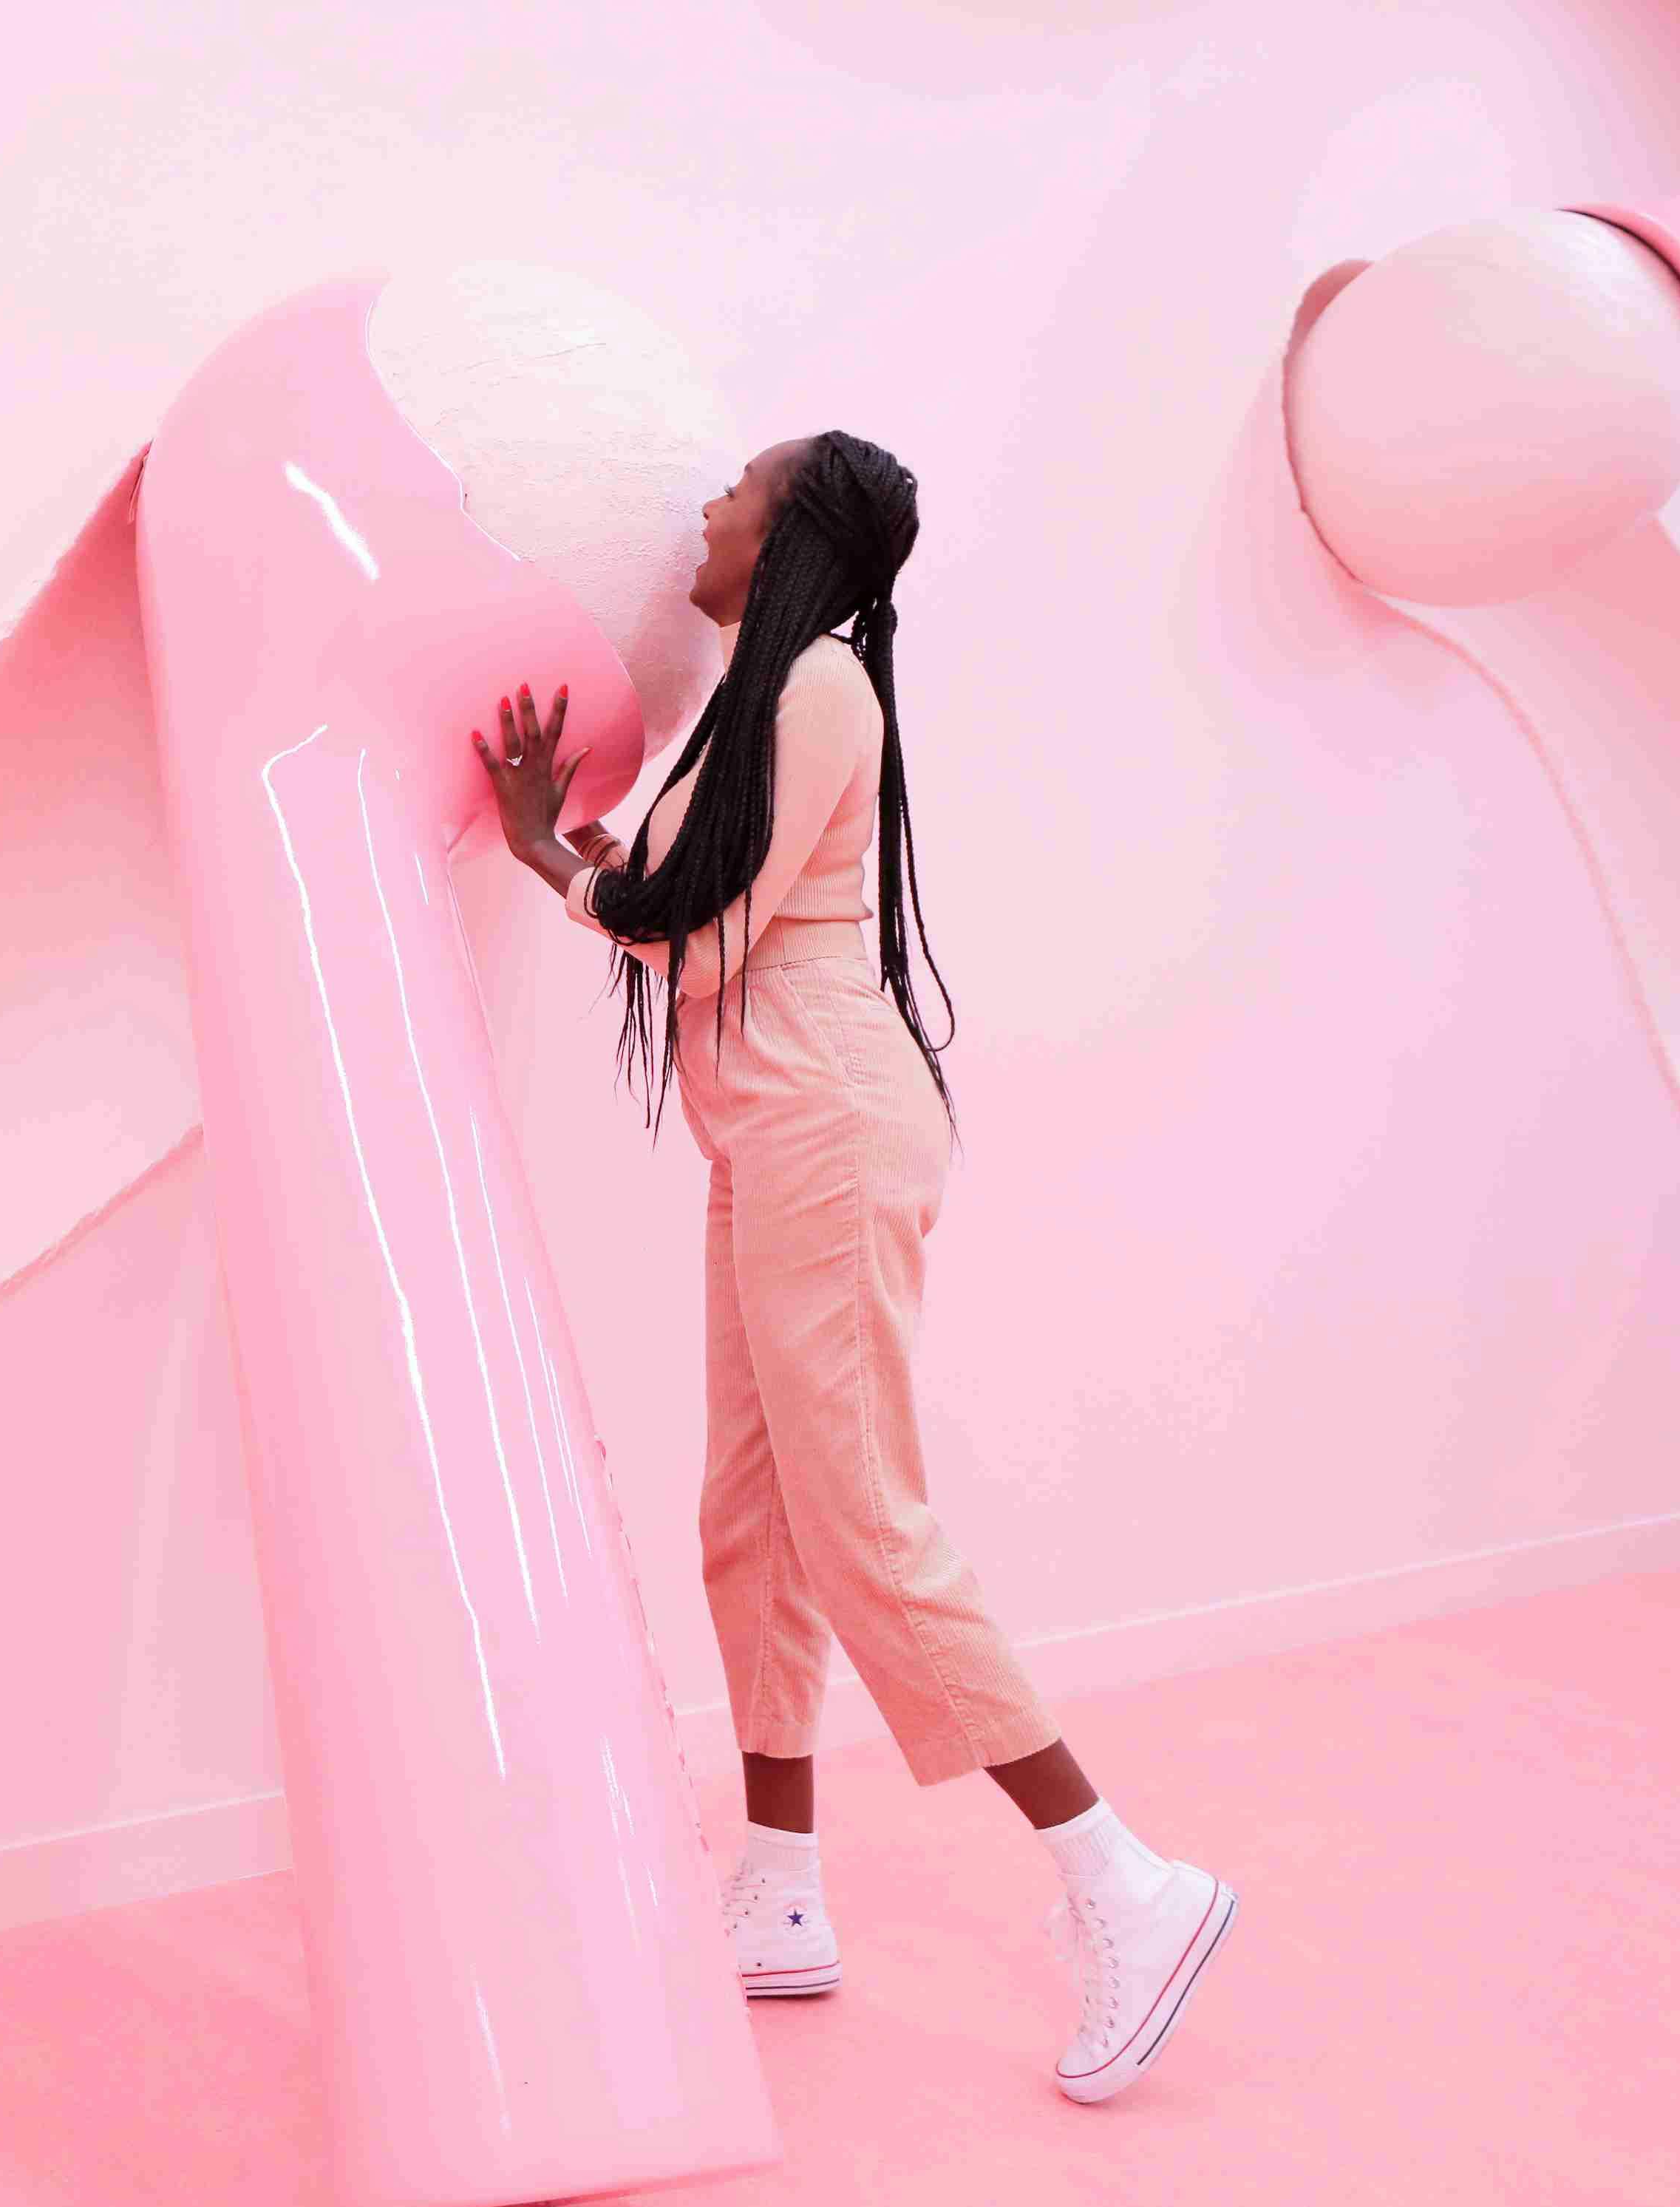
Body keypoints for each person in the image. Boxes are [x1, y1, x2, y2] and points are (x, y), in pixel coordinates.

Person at [471, 435, 1237, 2103]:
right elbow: (708, 898)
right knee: (751, 1517)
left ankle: (1126, 1879)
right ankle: (783, 1888)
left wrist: (549, 853)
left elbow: (695, 916)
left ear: (793, 534)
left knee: (861, 1515)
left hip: (824, 1120)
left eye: (737, 490)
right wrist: (592, 858)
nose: (705, 506)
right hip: (775, 1125)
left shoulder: (817, 688)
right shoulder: (772, 696)